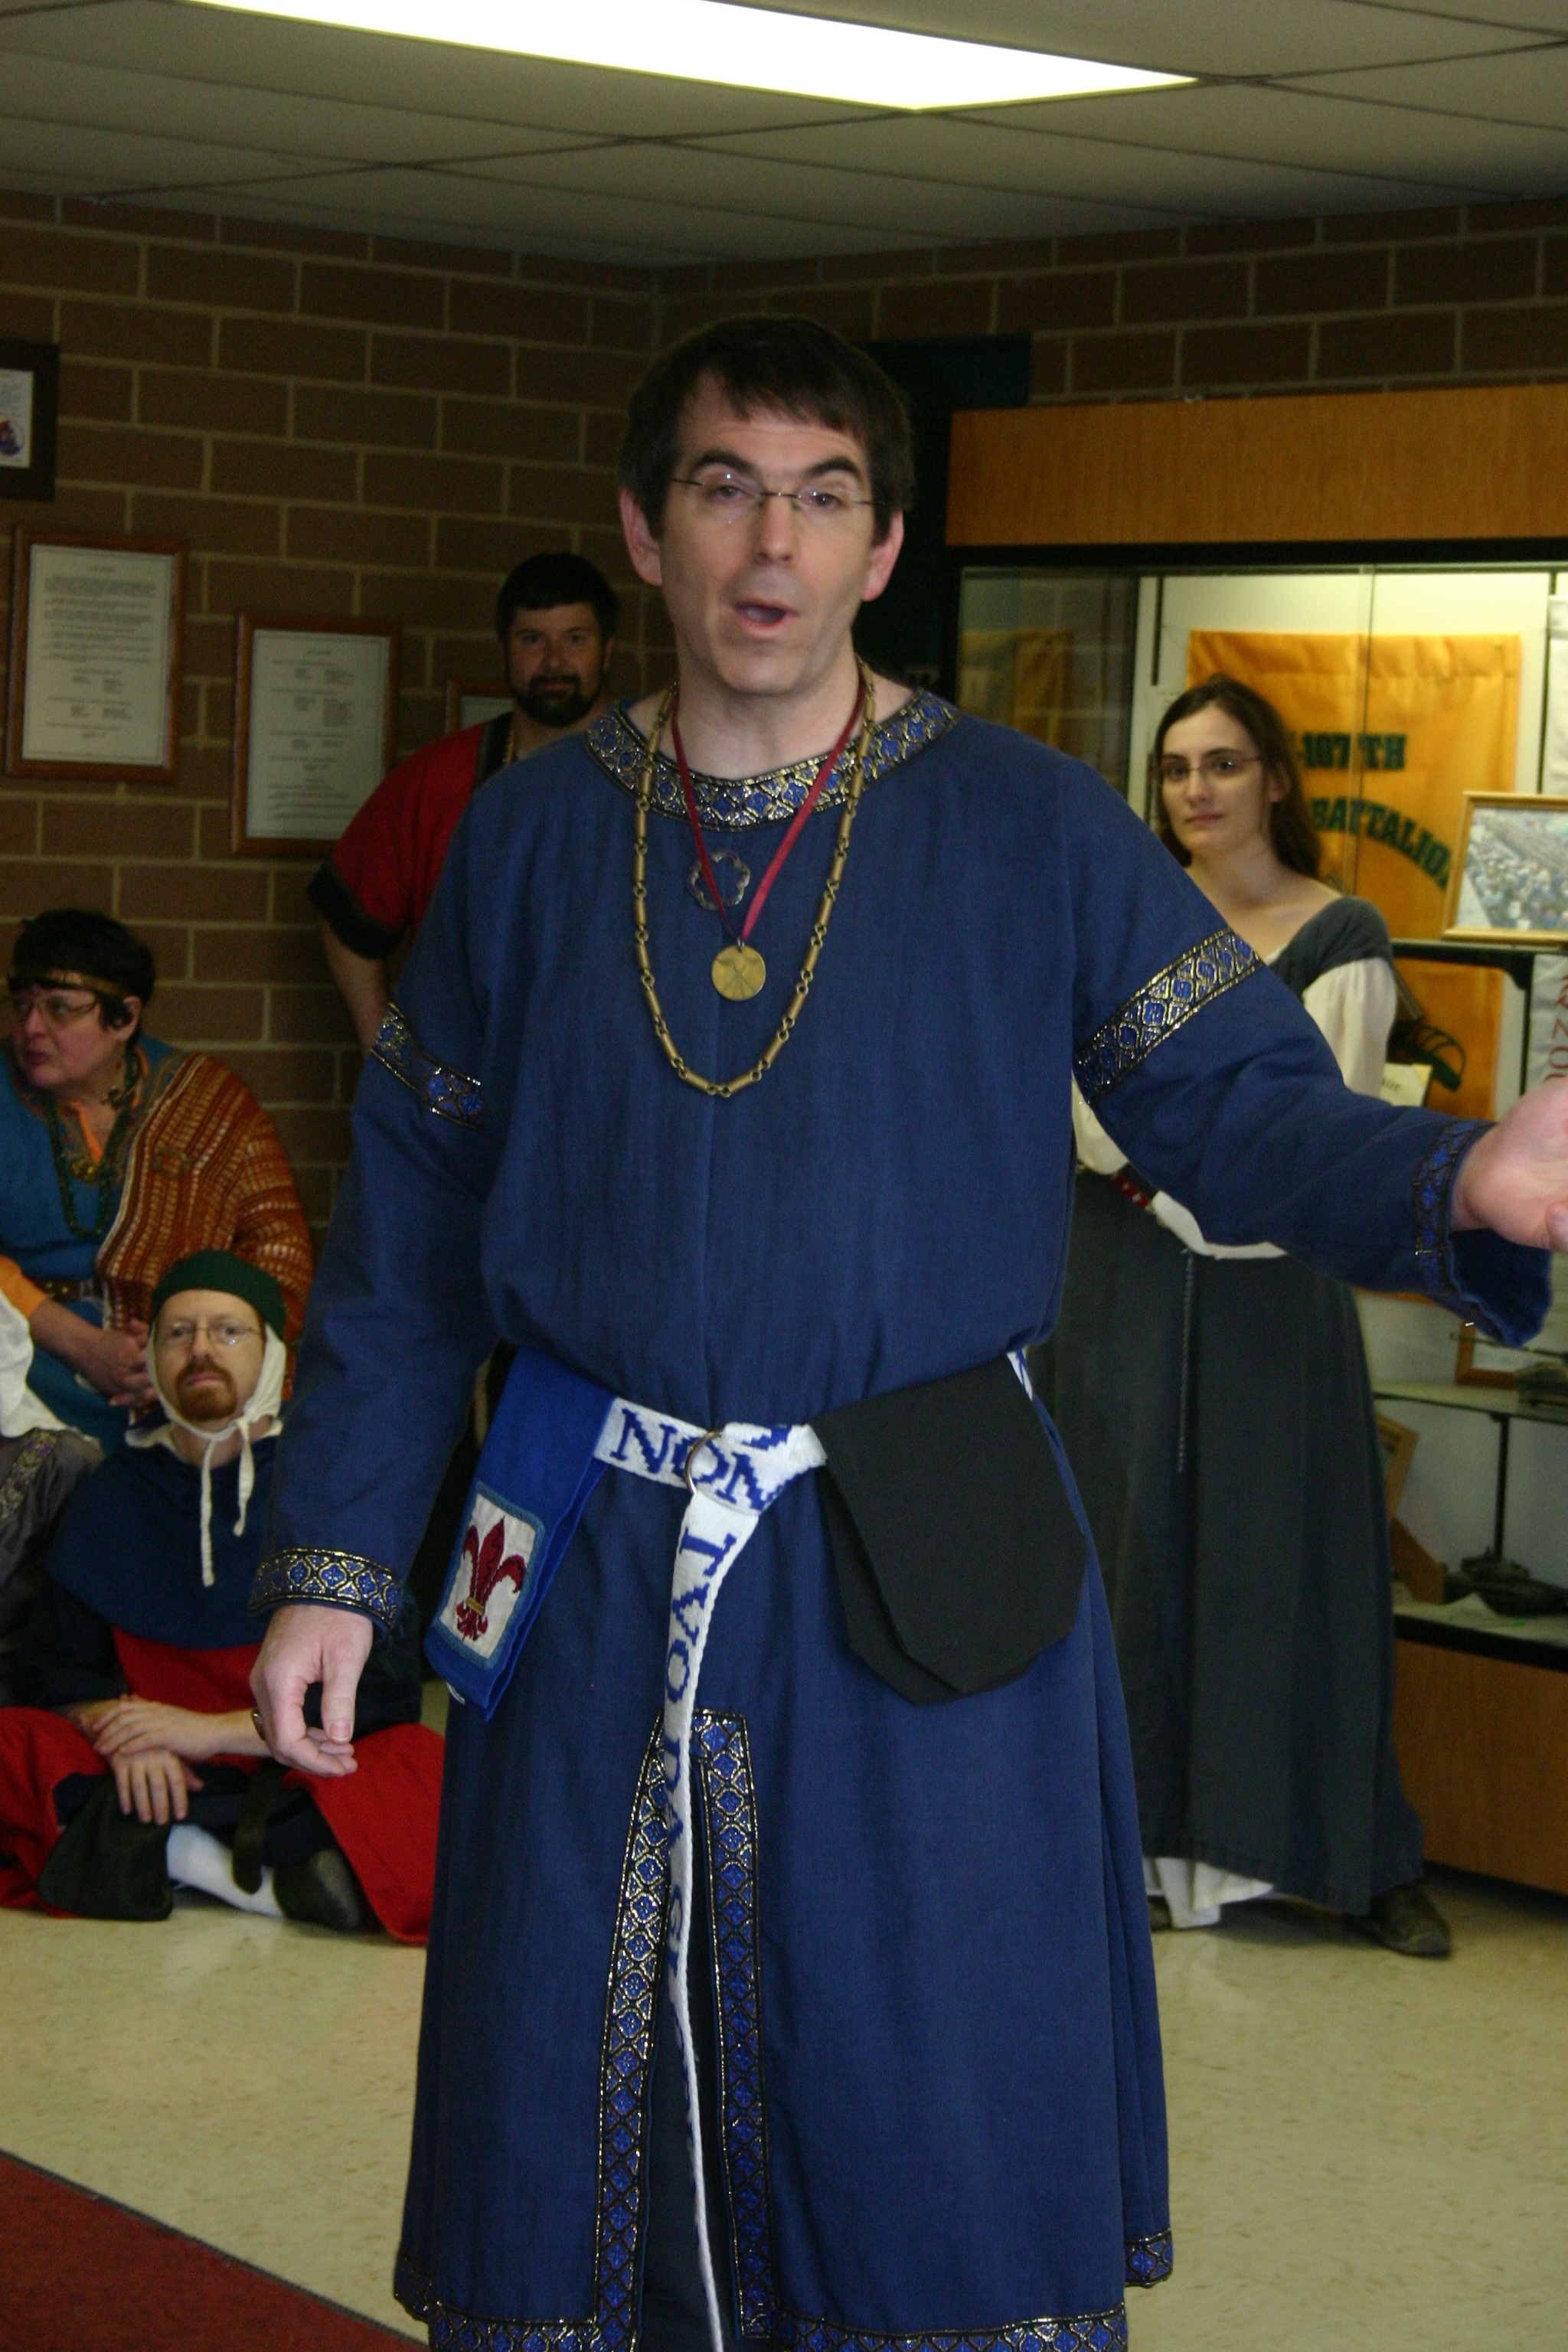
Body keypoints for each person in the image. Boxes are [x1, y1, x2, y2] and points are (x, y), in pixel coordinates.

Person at [249, 316, 1563, 2352]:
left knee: (918, 2069)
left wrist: (1459, 1179)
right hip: (580, 1541)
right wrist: (335, 1560)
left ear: (881, 547)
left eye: (824, 496)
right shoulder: (525, 839)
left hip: (922, 1547)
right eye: (724, 489)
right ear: (646, 532)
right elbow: (409, 1232)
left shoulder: (1029, 823)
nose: (771, 542)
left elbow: (1234, 1106)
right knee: (566, 2060)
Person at [1037, 676, 1449, 1958]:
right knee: (1124, 1549)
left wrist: (1183, 1178)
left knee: (1278, 1558)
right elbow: (1073, 1088)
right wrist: (1154, 1169)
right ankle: (1121, 1848)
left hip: (1270, 1277)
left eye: (1221, 763)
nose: (1196, 790)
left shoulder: (1339, 935)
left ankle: (1338, 1855)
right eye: (1174, 768)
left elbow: (1319, 1125)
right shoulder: (1128, 916)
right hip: (1117, 1269)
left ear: (1274, 777)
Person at [0, 1250, 442, 1937]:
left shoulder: (329, 1492)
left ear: (271, 1357)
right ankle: (260, 1874)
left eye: (228, 1331)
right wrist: (123, 1732)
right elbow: (54, 1673)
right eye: (178, 1333)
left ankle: (164, 1856)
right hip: (149, 1772)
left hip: (292, 1765)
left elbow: (381, 1699)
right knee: (11, 1742)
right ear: (152, 1356)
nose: (201, 1349)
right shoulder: (113, 1490)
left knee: (421, 1766)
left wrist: (206, 1732)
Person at [2, 910, 313, 1455]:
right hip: (23, 1361)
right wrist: (82, 1345)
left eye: (59, 1009)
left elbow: (279, 1254)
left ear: (124, 1018)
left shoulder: (209, 1103)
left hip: (181, 1362)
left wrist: (189, 1350)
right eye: (23, 1005)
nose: (31, 1029)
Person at [310, 550, 619, 1051]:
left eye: (575, 639)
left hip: (613, 1079)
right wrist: (387, 1059)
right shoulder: (439, 779)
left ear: (607, 651)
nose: (554, 662)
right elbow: (346, 918)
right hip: (471, 1081)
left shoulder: (660, 779)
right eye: (532, 639)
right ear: (504, 650)